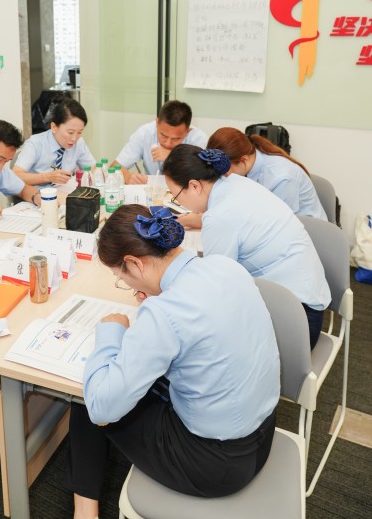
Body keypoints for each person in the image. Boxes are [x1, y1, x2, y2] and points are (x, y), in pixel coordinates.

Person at [67, 204, 280, 519]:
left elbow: (102, 406)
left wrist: (111, 334)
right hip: (263, 434)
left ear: (134, 263)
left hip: (215, 466)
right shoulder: (225, 266)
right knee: (128, 381)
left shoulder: (164, 313)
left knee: (91, 392)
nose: (129, 288)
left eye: (121, 278)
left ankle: (85, 514)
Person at [161, 146, 331, 350]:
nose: (178, 202)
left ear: (195, 186)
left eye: (176, 196)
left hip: (295, 323)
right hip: (305, 299)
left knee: (191, 339)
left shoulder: (219, 217)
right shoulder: (236, 183)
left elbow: (215, 287)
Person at [208, 127, 327, 220]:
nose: (221, 174)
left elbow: (277, 225)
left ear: (243, 160)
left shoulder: (281, 179)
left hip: (308, 234)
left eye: (224, 169)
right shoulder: (247, 165)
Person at [111, 100, 208, 184]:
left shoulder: (198, 139)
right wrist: (128, 177)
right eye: (163, 136)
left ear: (188, 131)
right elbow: (114, 167)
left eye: (176, 139)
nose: (167, 143)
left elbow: (205, 177)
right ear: (157, 123)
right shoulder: (144, 134)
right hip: (152, 191)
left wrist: (174, 158)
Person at [13, 97, 95, 188]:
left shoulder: (79, 142)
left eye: (79, 132)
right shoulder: (35, 143)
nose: (74, 138)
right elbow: (16, 176)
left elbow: (92, 169)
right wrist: (47, 177)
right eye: (70, 132)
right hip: (37, 193)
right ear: (54, 127)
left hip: (65, 192)